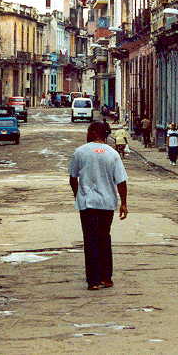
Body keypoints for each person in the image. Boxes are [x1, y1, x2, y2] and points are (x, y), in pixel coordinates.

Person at [69, 122, 128, 291]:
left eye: (88, 131)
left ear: (94, 133)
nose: (87, 134)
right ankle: (106, 277)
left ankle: (93, 280)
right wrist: (123, 203)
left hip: (87, 204)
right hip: (107, 203)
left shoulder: (80, 152)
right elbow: (121, 181)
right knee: (104, 238)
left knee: (90, 240)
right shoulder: (113, 154)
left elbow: (73, 178)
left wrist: (77, 195)